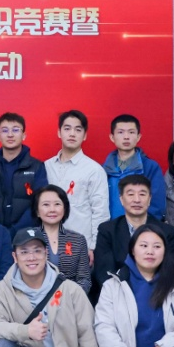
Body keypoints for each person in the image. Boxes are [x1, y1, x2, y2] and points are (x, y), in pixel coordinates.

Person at [44, 110, 110, 260]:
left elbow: (100, 212)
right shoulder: (46, 167)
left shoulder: (94, 170)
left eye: (78, 129)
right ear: (59, 132)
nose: (72, 134)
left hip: (80, 246)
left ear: (85, 135)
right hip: (47, 246)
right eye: (67, 128)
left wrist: (93, 247)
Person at [93, 174, 169, 290]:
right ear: (121, 199)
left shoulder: (167, 232)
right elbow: (104, 272)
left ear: (149, 199)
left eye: (142, 194)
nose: (137, 200)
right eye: (131, 194)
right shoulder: (107, 231)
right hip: (117, 293)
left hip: (156, 292)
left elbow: (170, 270)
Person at [0, 112, 46, 230]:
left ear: (24, 135)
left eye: (15, 130)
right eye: (5, 130)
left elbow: (41, 201)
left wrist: (16, 231)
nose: (10, 135)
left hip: (26, 234)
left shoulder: (36, 167)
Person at [104, 114, 166, 220]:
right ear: (112, 137)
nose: (126, 137)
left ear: (138, 137)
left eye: (131, 132)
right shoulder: (103, 170)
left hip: (142, 227)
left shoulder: (150, 167)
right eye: (120, 132)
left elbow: (157, 205)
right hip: (110, 227)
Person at [34, 185, 91, 293]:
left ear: (65, 209)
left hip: (71, 297)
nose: (52, 209)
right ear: (37, 211)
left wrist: (70, 297)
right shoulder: (29, 238)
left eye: (57, 204)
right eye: (46, 204)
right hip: (36, 298)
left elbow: (84, 279)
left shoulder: (78, 239)